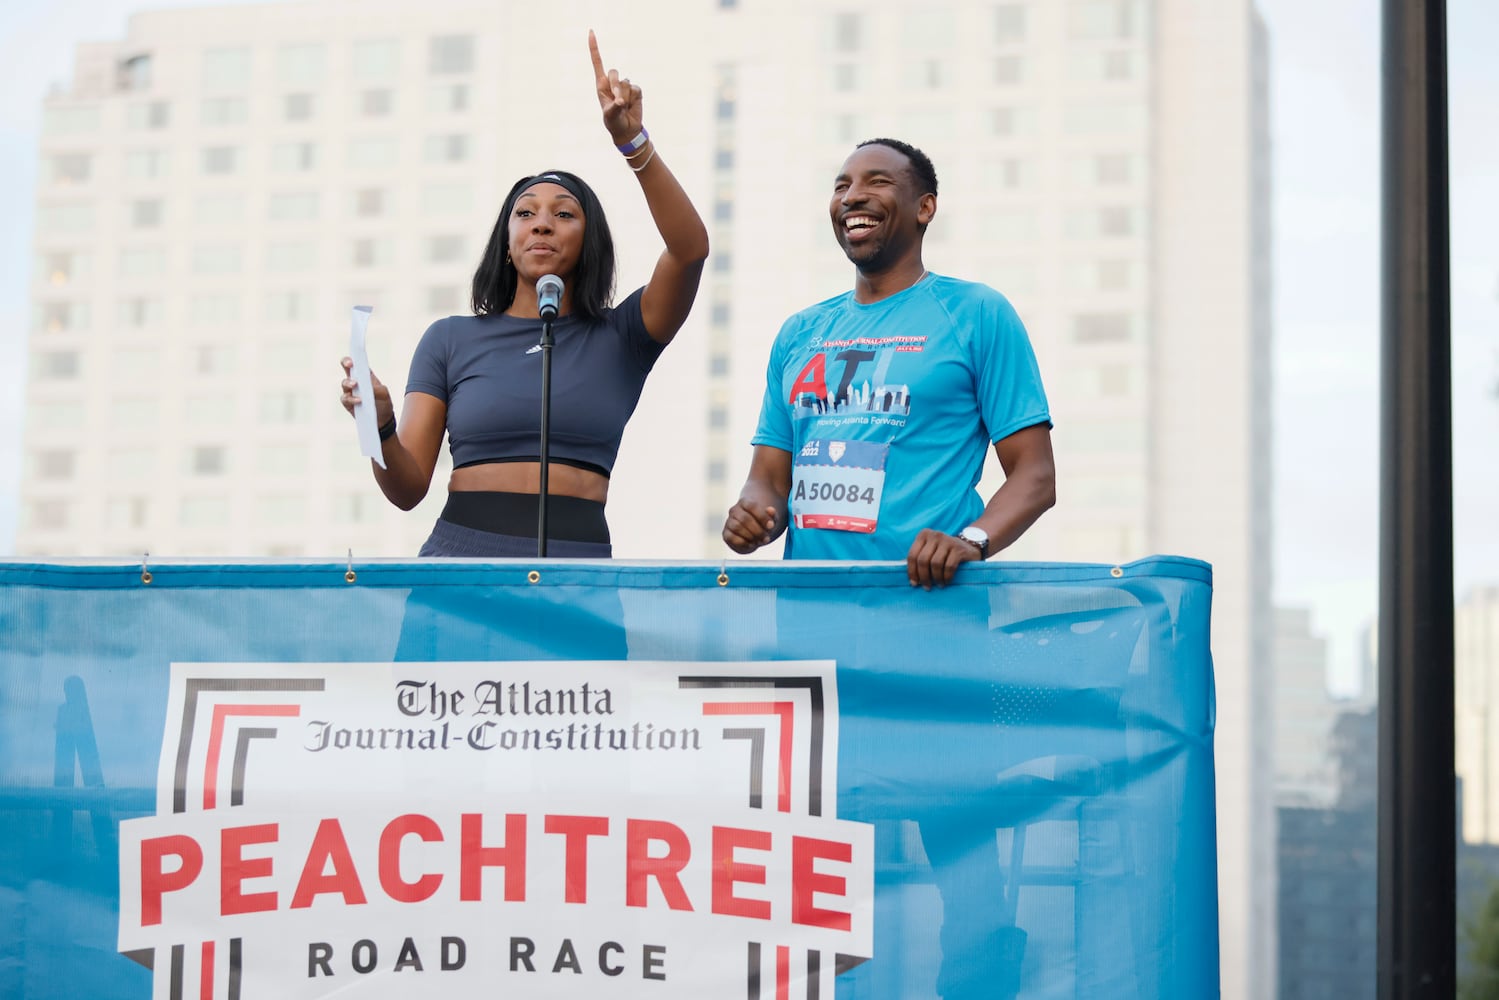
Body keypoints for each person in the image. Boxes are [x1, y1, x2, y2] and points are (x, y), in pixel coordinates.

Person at [340, 32, 707, 557]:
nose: (542, 225)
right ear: (506, 243)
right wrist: (379, 425)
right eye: (526, 213)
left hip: (577, 569)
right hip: (463, 563)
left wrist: (634, 144)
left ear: (588, 242)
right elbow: (406, 489)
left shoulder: (623, 335)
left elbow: (690, 250)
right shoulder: (450, 339)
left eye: (563, 214)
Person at [722, 137, 1055, 586]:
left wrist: (972, 540)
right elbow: (769, 480)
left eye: (877, 182)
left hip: (929, 609)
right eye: (841, 186)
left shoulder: (976, 313)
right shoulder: (799, 332)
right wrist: (753, 513)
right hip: (809, 614)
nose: (852, 196)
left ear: (925, 208)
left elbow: (1035, 475)